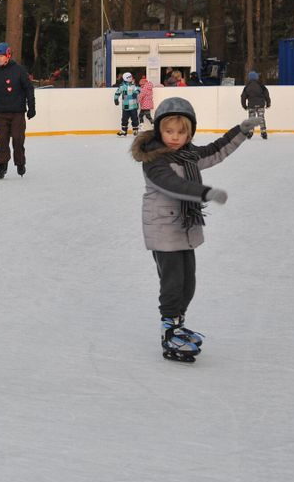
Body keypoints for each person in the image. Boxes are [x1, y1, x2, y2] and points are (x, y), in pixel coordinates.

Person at [131, 97, 261, 362]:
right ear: (158, 130)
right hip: (164, 230)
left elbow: (216, 150)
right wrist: (205, 192)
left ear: (190, 133)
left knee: (188, 284)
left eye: (182, 132)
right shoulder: (154, 161)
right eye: (169, 131)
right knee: (172, 283)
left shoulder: (189, 155)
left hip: (185, 229)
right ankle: (168, 331)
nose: (175, 137)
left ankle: (178, 324)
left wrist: (241, 131)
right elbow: (172, 186)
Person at [0, 42, 35, 179]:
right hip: (1, 113)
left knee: (17, 138)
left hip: (17, 113)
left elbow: (28, 89)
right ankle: (2, 165)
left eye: (1, 56)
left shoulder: (19, 70)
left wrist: (32, 107)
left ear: (8, 55)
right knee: (2, 140)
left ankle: (20, 163)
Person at [240, 71, 271, 139]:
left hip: (251, 106)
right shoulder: (261, 85)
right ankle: (263, 132)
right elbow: (266, 94)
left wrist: (244, 106)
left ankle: (250, 132)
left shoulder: (247, 86)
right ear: (256, 78)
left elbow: (243, 97)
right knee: (261, 118)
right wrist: (268, 103)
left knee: (251, 119)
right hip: (260, 105)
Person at [114, 72, 140, 136]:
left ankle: (135, 130)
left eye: (131, 77)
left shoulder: (134, 85)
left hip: (133, 105)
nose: (131, 78)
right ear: (126, 78)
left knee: (135, 118)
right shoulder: (122, 86)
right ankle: (124, 131)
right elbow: (117, 93)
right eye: (130, 77)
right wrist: (116, 99)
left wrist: (136, 92)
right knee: (124, 119)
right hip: (125, 106)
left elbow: (139, 89)